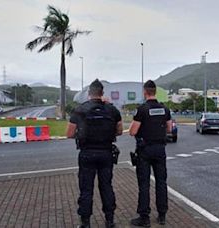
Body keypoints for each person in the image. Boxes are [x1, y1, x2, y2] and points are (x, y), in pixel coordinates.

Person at [66, 79, 123, 228]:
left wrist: (82, 133)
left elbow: (69, 133)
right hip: (106, 153)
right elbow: (120, 131)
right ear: (102, 93)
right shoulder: (112, 110)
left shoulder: (80, 110)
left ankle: (85, 223)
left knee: (86, 189)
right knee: (106, 186)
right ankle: (109, 221)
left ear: (89, 93)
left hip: (87, 153)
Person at [129, 80, 172, 227]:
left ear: (145, 92)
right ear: (155, 92)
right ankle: (162, 215)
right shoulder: (165, 109)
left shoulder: (142, 109)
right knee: (161, 182)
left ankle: (144, 217)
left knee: (144, 184)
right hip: (160, 149)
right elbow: (169, 129)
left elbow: (133, 131)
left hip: (145, 150)